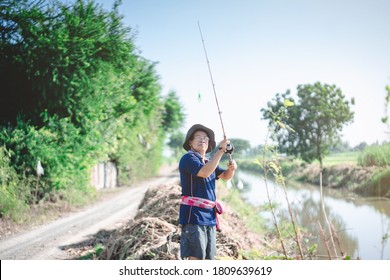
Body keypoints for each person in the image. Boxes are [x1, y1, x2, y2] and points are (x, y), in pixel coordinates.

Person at [179, 124, 237, 260]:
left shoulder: (209, 162)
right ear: (190, 142)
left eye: (205, 138)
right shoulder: (188, 159)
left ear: (209, 143)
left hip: (210, 217)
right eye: (198, 137)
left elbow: (225, 177)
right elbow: (204, 172)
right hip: (194, 216)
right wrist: (221, 151)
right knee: (196, 257)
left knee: (209, 259)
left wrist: (231, 169)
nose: (202, 140)